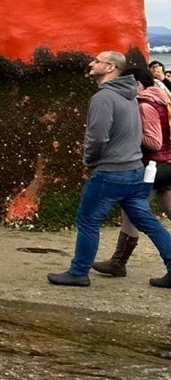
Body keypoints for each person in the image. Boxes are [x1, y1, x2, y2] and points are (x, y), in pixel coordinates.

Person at [47, 50, 171, 288]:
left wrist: (89, 161)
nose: (91, 64)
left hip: (111, 172)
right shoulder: (130, 96)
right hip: (135, 171)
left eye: (97, 61)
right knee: (149, 223)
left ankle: (78, 272)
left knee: (88, 220)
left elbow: (97, 138)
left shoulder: (103, 98)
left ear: (111, 67)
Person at [92, 66, 171, 277]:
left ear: (137, 85)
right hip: (166, 164)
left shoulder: (145, 105)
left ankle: (118, 262)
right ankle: (118, 262)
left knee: (133, 212)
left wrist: (130, 135)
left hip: (152, 166)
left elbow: (154, 142)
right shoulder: (162, 98)